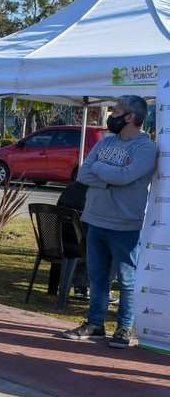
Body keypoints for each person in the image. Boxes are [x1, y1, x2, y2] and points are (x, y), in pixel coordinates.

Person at [62, 95, 157, 349]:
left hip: (125, 225)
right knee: (98, 277)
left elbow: (127, 176)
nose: (111, 114)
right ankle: (95, 324)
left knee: (127, 279)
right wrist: (109, 178)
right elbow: (83, 173)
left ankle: (124, 328)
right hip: (95, 219)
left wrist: (102, 173)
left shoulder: (145, 147)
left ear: (130, 117)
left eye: (116, 110)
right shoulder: (105, 142)